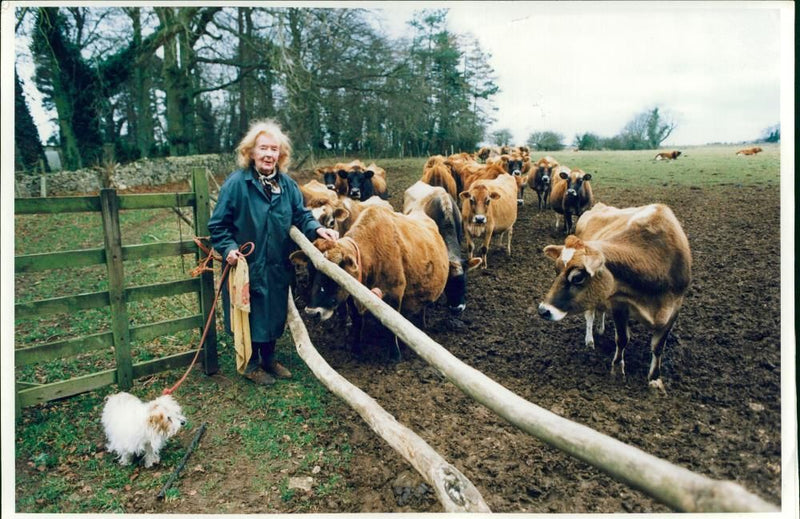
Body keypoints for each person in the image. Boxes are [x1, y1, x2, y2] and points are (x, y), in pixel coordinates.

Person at [208, 119, 339, 386]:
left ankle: (269, 358)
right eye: (263, 148)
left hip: (278, 262)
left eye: (274, 149)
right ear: (251, 152)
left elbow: (301, 215)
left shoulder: (288, 186)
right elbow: (218, 225)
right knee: (251, 310)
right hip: (247, 263)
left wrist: (316, 228)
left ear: (281, 155)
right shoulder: (237, 185)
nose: (269, 154)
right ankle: (252, 363)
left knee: (273, 309)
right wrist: (230, 248)